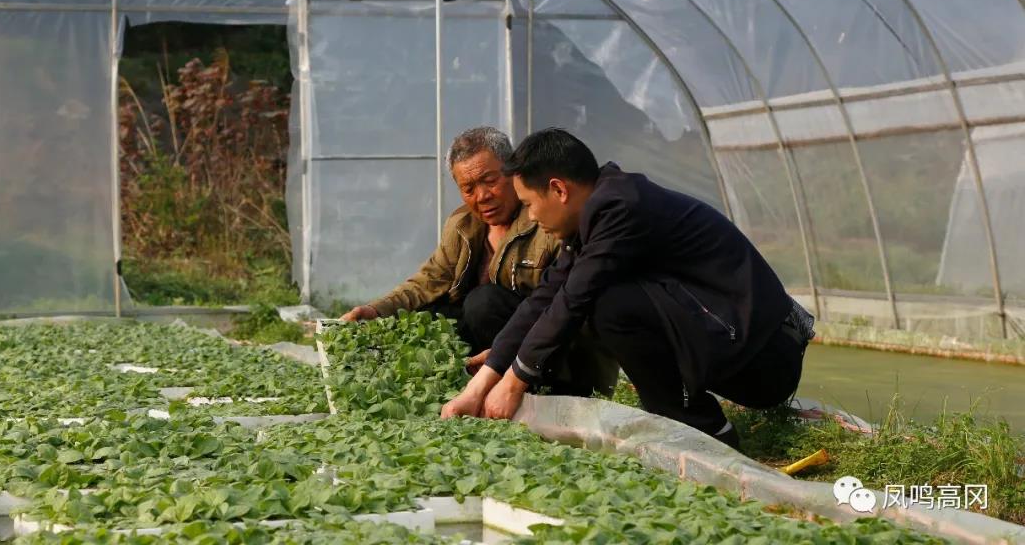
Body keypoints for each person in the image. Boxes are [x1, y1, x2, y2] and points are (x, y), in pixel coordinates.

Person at [441, 128, 814, 448]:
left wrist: (515, 383)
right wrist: (482, 385)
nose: (532, 216)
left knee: (607, 303)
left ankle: (704, 429)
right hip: (742, 349)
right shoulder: (599, 212)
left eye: (530, 204)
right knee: (584, 299)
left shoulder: (621, 208)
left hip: (766, 362)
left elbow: (573, 300)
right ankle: (683, 415)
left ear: (559, 189)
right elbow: (547, 297)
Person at [339, 126, 558, 356]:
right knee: (424, 313)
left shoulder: (543, 221)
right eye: (469, 188)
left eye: (490, 180)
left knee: (482, 303)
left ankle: (519, 377)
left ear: (513, 171)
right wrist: (375, 310)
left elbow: (557, 303)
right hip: (479, 336)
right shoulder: (462, 225)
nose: (482, 196)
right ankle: (455, 374)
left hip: (532, 340)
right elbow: (429, 280)